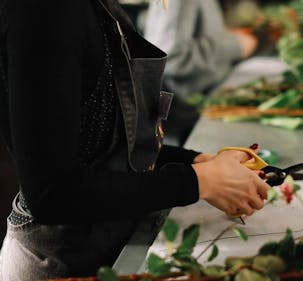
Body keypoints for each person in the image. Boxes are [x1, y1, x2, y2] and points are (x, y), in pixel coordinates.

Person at [0, 0, 269, 280]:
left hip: (107, 251)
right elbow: (52, 194)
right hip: (61, 264)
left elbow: (105, 146)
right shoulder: (47, 12)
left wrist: (198, 162)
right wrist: (197, 181)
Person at [143, 0, 259, 145]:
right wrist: (236, 44)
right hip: (185, 113)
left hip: (200, 105)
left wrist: (228, 36)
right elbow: (173, 57)